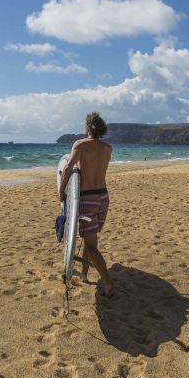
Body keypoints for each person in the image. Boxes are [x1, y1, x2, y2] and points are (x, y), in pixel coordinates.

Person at [59, 112, 114, 296]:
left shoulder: (80, 145)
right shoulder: (108, 148)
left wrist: (61, 191)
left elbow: (67, 168)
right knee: (91, 240)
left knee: (91, 245)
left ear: (88, 127)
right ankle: (83, 274)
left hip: (88, 198)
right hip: (103, 198)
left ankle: (107, 281)